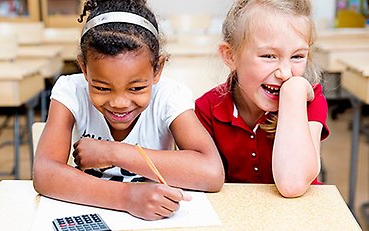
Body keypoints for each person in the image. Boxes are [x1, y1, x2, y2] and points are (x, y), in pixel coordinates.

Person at [33, 0, 224, 221]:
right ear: (84, 69)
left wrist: (113, 152)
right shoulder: (71, 91)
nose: (120, 102)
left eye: (136, 88)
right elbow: (45, 173)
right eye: (102, 88)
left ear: (157, 69)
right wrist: (126, 197)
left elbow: (211, 173)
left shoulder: (169, 96)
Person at [195, 0, 330, 198]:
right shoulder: (207, 108)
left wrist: (294, 93)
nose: (285, 73)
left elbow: (293, 183)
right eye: (269, 56)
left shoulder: (309, 100)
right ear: (230, 56)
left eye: (297, 56)